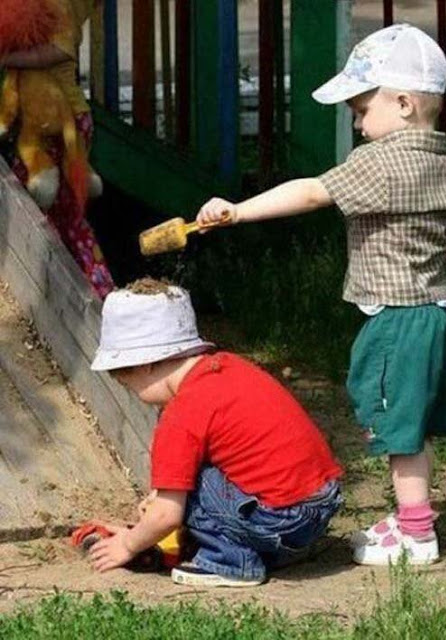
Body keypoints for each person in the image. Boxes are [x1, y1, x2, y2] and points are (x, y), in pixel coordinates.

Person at [195, 24, 446, 565]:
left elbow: (311, 192)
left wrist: (238, 210)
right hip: (438, 311)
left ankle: (416, 536)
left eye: (361, 109)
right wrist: (423, 269)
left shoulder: (378, 162)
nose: (357, 122)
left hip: (397, 320)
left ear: (402, 103)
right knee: (413, 422)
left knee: (398, 429)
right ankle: (412, 517)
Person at [88, 280, 343, 587]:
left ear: (144, 364)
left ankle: (230, 562)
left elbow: (166, 515)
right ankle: (278, 550)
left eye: (128, 385)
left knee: (192, 483)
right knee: (196, 477)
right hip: (320, 505)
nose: (135, 394)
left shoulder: (181, 413)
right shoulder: (231, 367)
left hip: (281, 520)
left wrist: (127, 544)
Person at [1, 0, 114, 299]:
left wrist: (8, 59)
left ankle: (102, 296)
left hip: (63, 121)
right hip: (40, 123)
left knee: (66, 219)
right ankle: (75, 297)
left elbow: (61, 49)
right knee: (50, 217)